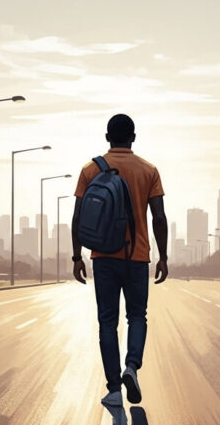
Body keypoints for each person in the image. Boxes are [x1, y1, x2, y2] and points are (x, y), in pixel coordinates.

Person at [71, 113, 169, 407]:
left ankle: (114, 389)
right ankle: (132, 367)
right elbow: (159, 217)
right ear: (134, 138)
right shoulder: (148, 170)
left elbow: (78, 218)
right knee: (137, 316)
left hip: (103, 257)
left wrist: (77, 256)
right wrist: (163, 257)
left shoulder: (90, 169)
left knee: (107, 322)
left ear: (107, 138)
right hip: (137, 258)